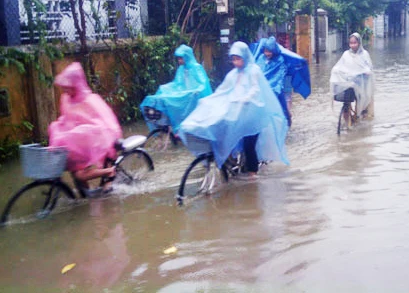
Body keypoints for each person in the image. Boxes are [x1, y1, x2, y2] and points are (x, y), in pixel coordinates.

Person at [178, 41, 289, 180]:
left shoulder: (254, 71)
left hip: (252, 114)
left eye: (238, 59)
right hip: (237, 112)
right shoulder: (232, 74)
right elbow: (223, 90)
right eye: (233, 59)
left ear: (245, 57)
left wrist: (245, 98)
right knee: (224, 134)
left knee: (249, 144)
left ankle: (252, 175)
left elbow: (255, 89)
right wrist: (210, 101)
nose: (236, 62)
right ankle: (229, 163)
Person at [48, 62, 123, 194]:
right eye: (64, 87)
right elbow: (67, 118)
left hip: (97, 140)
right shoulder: (66, 99)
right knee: (73, 170)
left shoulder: (90, 100)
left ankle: (109, 171)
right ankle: (86, 195)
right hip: (80, 144)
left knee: (79, 174)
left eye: (68, 87)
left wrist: (82, 132)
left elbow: (104, 122)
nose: (65, 90)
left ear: (76, 85)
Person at [140, 44, 212, 134]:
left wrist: (197, 90)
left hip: (194, 95)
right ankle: (168, 123)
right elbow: (177, 83)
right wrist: (165, 87)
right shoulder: (181, 69)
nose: (179, 61)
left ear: (187, 57)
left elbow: (203, 83)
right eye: (178, 58)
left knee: (177, 101)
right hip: (184, 93)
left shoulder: (196, 68)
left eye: (181, 58)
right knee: (164, 93)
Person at [251, 36, 311, 127]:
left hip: (285, 81)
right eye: (266, 51)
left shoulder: (281, 59)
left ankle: (288, 117)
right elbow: (259, 72)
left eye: (269, 51)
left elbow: (280, 75)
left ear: (274, 51)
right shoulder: (261, 59)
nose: (267, 53)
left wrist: (276, 88)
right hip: (271, 85)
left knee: (286, 101)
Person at [330, 32, 375, 118]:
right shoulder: (346, 54)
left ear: (359, 43)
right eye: (351, 43)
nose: (353, 45)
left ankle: (359, 116)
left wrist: (367, 71)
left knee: (360, 103)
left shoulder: (364, 54)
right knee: (346, 102)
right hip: (350, 83)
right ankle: (348, 124)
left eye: (355, 43)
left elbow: (369, 68)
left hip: (361, 83)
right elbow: (340, 65)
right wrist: (335, 70)